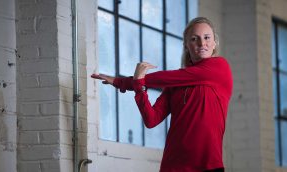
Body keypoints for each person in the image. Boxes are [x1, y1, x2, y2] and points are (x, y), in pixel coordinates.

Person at [91, 17, 233, 172]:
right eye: (194, 39)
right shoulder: (176, 85)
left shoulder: (220, 67)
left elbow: (165, 78)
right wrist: (139, 88)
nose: (202, 43)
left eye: (207, 38)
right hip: (173, 166)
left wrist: (124, 82)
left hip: (208, 166)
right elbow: (151, 120)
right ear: (186, 45)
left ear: (214, 43)